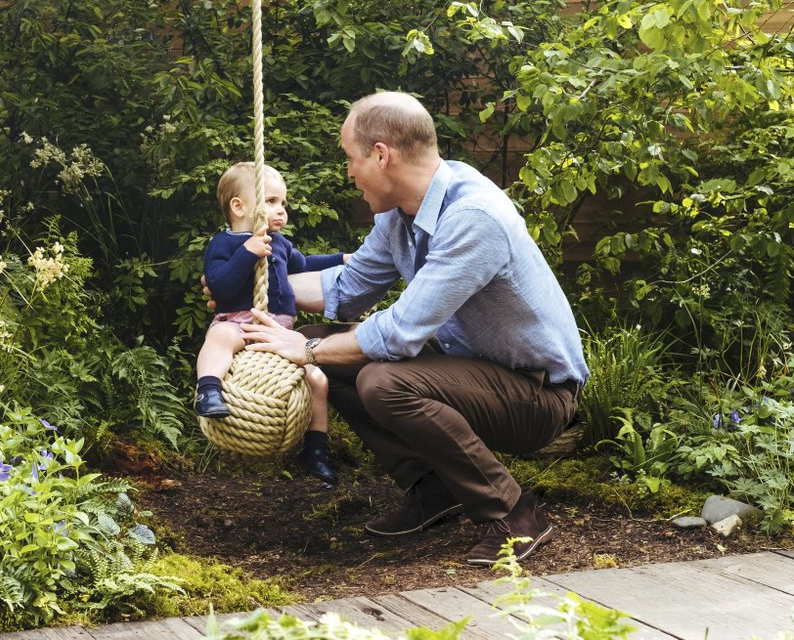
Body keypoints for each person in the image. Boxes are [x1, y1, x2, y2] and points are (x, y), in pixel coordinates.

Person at [238, 91, 589, 565]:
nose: (348, 172)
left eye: (351, 158)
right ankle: (434, 486)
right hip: (470, 373)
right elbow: (349, 285)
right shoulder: (399, 215)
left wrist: (308, 352)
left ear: (381, 155)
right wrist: (244, 287)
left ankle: (514, 513)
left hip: (537, 396)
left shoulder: (473, 217)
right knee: (326, 344)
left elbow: (400, 332)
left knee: (380, 380)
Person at [195, 161, 348, 484]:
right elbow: (220, 286)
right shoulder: (223, 245)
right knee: (220, 335)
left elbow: (304, 264)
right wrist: (248, 253)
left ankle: (316, 448)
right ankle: (208, 390)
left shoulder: (279, 243)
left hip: (279, 333)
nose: (282, 210)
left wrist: (342, 259)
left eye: (283, 203)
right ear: (239, 207)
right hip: (240, 323)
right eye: (271, 201)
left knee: (317, 379)